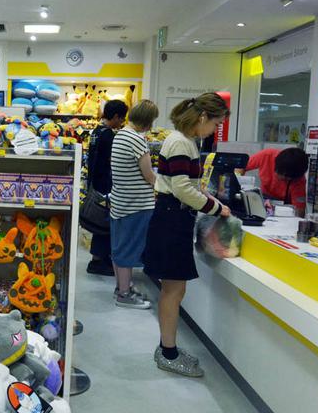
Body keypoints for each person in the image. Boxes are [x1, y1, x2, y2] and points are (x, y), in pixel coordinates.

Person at [142, 92, 230, 377]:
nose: (214, 130)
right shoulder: (181, 142)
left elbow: (185, 184)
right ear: (203, 117)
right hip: (172, 219)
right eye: (215, 123)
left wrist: (206, 198)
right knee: (173, 290)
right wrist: (217, 208)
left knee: (174, 289)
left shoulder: (184, 141)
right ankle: (168, 352)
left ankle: (168, 347)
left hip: (174, 217)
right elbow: (181, 188)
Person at [110, 99, 159, 309]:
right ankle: (125, 293)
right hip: (137, 204)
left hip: (120, 201)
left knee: (119, 248)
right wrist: (165, 184)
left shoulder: (121, 135)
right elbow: (149, 175)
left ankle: (121, 287)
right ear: (148, 121)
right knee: (129, 250)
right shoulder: (138, 140)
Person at [86, 99, 128, 276]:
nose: (122, 122)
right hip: (106, 186)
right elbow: (113, 162)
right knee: (105, 226)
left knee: (99, 224)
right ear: (116, 116)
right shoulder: (109, 135)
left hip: (95, 184)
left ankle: (97, 259)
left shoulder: (96, 131)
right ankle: (100, 261)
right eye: (122, 118)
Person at [245, 147, 308, 215]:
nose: (278, 176)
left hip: (283, 207)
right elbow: (240, 167)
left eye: (285, 178)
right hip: (263, 198)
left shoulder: (299, 181)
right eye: (277, 170)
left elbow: (299, 212)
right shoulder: (267, 155)